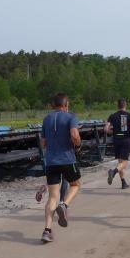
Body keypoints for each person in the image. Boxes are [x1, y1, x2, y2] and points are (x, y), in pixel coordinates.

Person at [40, 93, 82, 243]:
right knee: (76, 185)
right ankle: (64, 205)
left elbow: (43, 143)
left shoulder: (47, 119)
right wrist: (78, 145)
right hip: (67, 159)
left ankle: (47, 230)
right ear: (66, 104)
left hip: (51, 161)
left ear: (54, 105)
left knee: (53, 196)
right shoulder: (71, 117)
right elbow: (74, 135)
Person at [105, 98, 130, 190]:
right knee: (124, 162)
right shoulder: (129, 115)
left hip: (116, 139)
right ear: (125, 105)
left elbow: (106, 129)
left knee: (120, 162)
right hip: (126, 139)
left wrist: (114, 132)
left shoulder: (112, 116)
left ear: (117, 105)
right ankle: (113, 172)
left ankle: (123, 183)